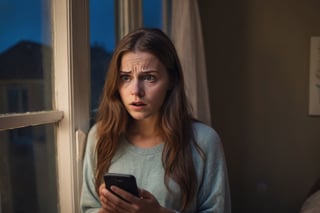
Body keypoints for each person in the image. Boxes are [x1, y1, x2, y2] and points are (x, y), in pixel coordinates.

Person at [80, 28, 231, 213]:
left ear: (172, 81)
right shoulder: (100, 136)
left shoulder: (204, 141)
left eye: (149, 77)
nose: (136, 90)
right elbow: (88, 208)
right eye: (125, 77)